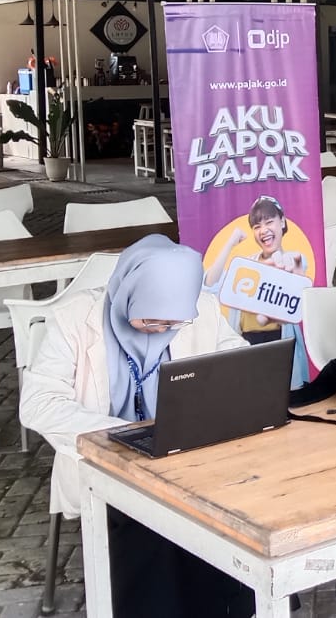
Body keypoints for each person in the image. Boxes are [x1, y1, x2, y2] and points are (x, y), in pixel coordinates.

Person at [20, 236, 253, 618]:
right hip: (108, 460)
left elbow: (238, 361)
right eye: (152, 319)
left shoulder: (200, 309)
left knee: (238, 502)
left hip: (185, 453)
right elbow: (38, 404)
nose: (162, 330)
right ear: (128, 294)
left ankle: (236, 606)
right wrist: (127, 433)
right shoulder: (74, 319)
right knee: (153, 516)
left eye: (173, 323)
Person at [204, 196, 311, 387]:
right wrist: (230, 243)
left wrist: (286, 267)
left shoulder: (295, 260)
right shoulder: (246, 266)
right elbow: (210, 285)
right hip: (247, 344)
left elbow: (297, 274)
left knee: (284, 396)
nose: (263, 230)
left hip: (280, 343)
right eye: (257, 226)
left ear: (282, 222)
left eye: (269, 222)